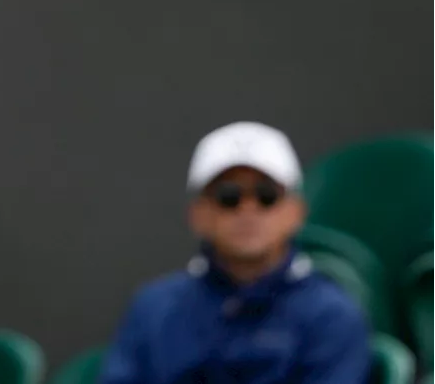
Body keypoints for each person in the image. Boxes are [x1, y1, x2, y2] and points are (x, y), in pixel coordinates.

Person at [98, 121, 372, 384]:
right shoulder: (153, 308)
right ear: (198, 214)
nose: (247, 210)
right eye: (228, 196)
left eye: (266, 195)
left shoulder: (331, 316)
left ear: (295, 212)